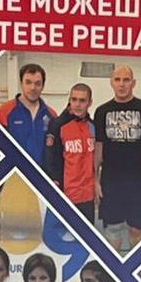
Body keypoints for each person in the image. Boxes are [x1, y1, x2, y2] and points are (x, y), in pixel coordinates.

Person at [93, 65, 141, 252]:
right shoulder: (101, 111)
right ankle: (114, 266)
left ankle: (137, 265)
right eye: (118, 80)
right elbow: (98, 146)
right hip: (111, 180)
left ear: (133, 83)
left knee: (137, 229)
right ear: (111, 83)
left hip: (138, 180)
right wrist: (95, 179)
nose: (122, 84)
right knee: (113, 229)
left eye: (126, 80)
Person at [43, 84, 96, 221]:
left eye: (82, 100)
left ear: (90, 103)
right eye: (74, 99)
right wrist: (54, 181)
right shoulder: (58, 124)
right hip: (66, 194)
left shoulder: (93, 126)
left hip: (88, 195)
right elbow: (50, 157)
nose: (77, 104)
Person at [0, 63, 56, 164]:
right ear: (21, 83)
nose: (33, 88)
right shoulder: (4, 111)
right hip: (15, 171)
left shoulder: (52, 115)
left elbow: (55, 150)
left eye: (37, 83)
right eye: (28, 82)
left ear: (43, 86)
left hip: (42, 171)